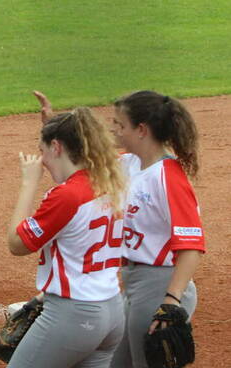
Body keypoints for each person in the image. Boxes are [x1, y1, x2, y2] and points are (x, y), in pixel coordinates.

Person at [5, 106, 127, 367]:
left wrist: (28, 183)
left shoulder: (67, 195)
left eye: (42, 150)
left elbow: (17, 244)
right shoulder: (112, 180)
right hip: (112, 310)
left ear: (57, 147)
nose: (42, 159)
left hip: (74, 314)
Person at [109, 91, 205, 368]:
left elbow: (190, 246)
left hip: (159, 284)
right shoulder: (129, 163)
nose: (114, 129)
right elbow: (86, 161)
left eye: (119, 124)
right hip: (133, 283)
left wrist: (171, 300)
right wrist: (54, 127)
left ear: (141, 130)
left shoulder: (168, 177)